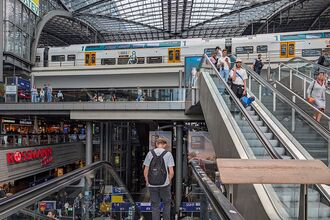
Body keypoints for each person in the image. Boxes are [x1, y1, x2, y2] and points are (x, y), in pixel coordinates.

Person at [143, 138, 175, 220]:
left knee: (155, 205)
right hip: (165, 184)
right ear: (164, 145)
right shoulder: (168, 154)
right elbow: (171, 172)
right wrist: (169, 181)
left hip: (152, 184)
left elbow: (145, 171)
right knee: (167, 204)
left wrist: (147, 181)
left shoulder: (150, 153)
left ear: (157, 144)